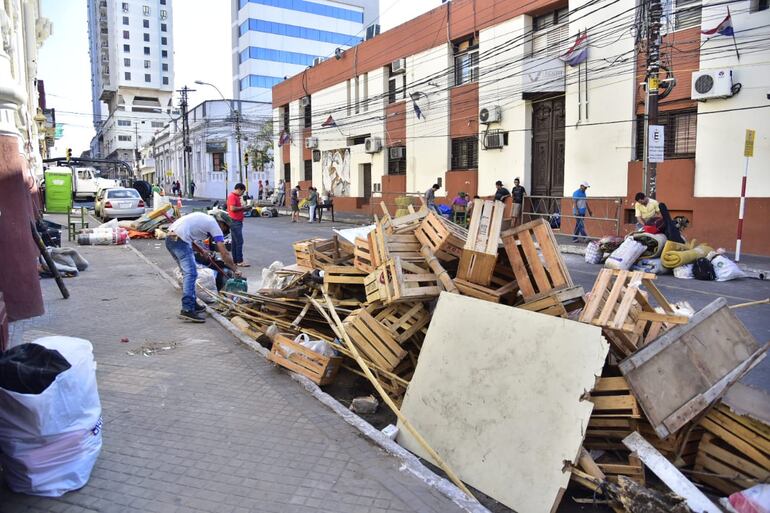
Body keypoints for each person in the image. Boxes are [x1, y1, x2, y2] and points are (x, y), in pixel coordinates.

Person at [166, 211, 240, 322]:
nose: (224, 232)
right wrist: (235, 269)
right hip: (180, 240)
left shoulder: (205, 219)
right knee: (191, 274)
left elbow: (188, 236)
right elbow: (224, 253)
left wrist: (201, 250)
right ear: (222, 224)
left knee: (188, 274)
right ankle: (187, 309)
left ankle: (193, 303)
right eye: (226, 228)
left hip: (171, 239)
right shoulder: (214, 225)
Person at [227, 183, 249, 267]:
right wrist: (243, 208)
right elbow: (232, 208)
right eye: (242, 191)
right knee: (239, 241)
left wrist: (243, 208)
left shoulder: (235, 197)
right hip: (235, 221)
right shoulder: (232, 196)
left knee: (235, 242)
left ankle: (235, 260)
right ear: (239, 189)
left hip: (235, 221)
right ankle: (240, 260)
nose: (242, 194)